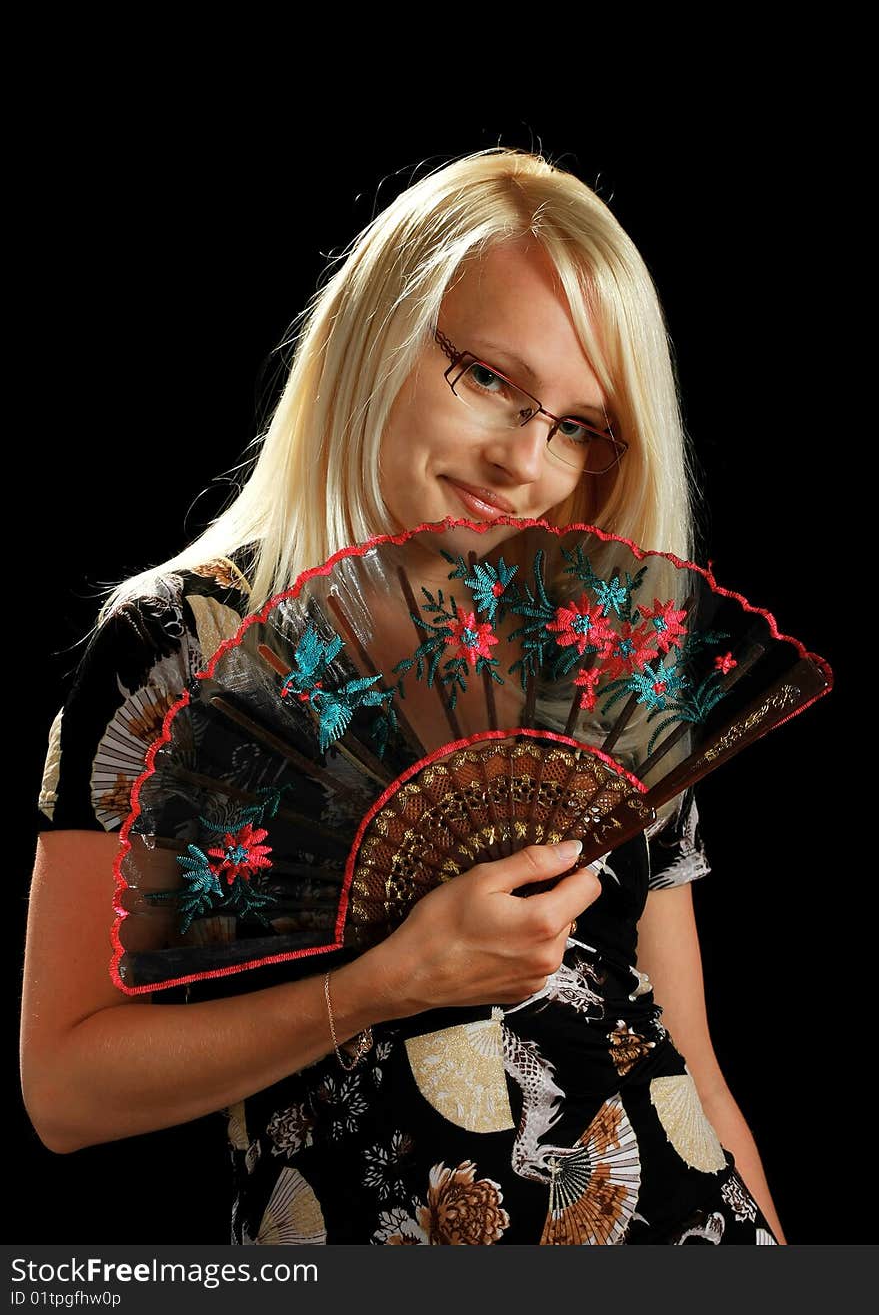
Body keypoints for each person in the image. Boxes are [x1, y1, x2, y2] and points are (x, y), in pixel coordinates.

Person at [24, 147, 786, 1245]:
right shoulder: (177, 646)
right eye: (488, 377)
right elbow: (62, 1089)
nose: (525, 457)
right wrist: (382, 983)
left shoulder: (606, 662)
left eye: (576, 424)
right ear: (379, 331)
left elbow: (695, 1073)